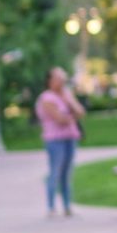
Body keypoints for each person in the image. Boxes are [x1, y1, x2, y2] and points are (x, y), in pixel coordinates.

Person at [35, 67, 86, 217]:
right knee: (55, 172)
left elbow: (81, 112)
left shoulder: (66, 95)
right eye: (58, 77)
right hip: (54, 139)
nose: (61, 80)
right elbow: (60, 119)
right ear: (50, 81)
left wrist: (69, 103)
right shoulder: (46, 98)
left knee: (67, 173)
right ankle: (51, 207)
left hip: (70, 137)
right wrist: (72, 115)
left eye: (62, 77)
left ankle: (67, 206)